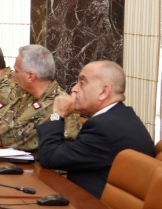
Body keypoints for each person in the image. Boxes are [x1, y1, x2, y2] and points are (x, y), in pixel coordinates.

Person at [37, 61, 154, 198]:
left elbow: (50, 157)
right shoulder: (119, 116)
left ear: (103, 92)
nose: (74, 89)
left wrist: (58, 114)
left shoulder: (105, 127)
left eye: (82, 83)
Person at [0, 44, 80, 151]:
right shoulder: (27, 98)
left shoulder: (57, 104)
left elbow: (13, 139)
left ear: (30, 76)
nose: (13, 75)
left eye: (16, 71)